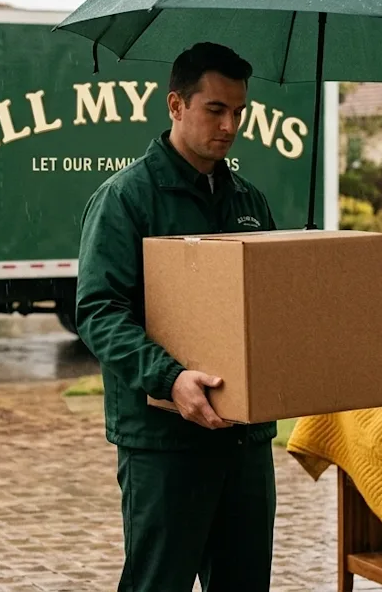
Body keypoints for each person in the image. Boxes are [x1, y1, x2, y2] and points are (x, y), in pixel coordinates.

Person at [75, 42, 279, 592]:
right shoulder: (126, 199)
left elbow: (266, 312)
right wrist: (171, 379)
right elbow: (98, 312)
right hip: (163, 442)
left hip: (245, 439)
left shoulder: (250, 202)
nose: (230, 125)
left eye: (240, 112)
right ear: (175, 105)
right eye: (215, 109)